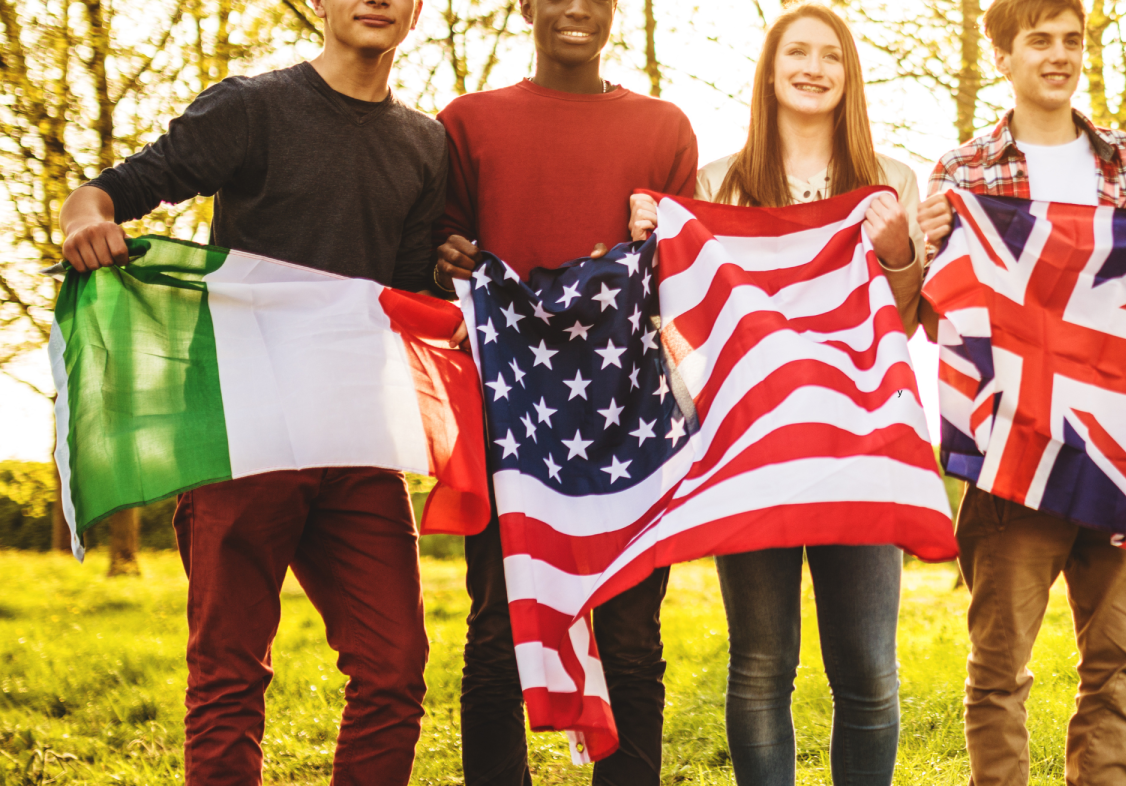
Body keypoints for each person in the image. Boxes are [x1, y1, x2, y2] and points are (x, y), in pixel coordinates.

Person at [56, 0, 447, 783]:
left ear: (416, 10)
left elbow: (407, 291)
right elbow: (114, 189)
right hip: (243, 433)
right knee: (229, 677)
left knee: (395, 670)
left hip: (356, 438)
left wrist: (447, 271)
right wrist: (83, 217)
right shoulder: (253, 108)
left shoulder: (426, 144)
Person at [913, 1, 1126, 784]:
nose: (1058, 56)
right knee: (999, 672)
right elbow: (930, 315)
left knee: (1116, 669)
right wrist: (922, 250)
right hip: (1013, 456)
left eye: (1071, 41)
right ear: (1005, 57)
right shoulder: (962, 174)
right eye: (1039, 41)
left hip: (1120, 456)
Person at [625, 5, 923, 785]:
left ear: (849, 76)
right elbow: (684, 320)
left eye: (832, 55)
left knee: (867, 666)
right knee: (761, 664)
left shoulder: (893, 181)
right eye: (798, 52)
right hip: (750, 445)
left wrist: (897, 254)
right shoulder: (717, 183)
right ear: (770, 68)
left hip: (860, 445)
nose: (815, 67)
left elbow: (907, 322)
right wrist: (654, 238)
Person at [428, 1, 698, 784]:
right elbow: (438, 260)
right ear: (525, 6)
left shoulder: (665, 129)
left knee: (631, 641)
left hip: (632, 422)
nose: (575, 6)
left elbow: (688, 276)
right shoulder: (467, 123)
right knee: (496, 633)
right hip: (512, 422)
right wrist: (442, 260)